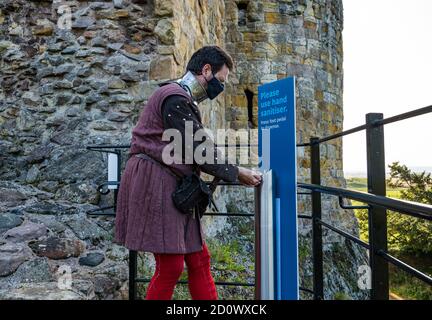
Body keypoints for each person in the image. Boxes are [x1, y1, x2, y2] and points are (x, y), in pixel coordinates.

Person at [114, 46, 262, 300]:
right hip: (155, 182)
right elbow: (199, 149)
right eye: (221, 80)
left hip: (171, 182)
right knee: (171, 266)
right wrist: (238, 172)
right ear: (206, 70)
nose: (221, 87)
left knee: (198, 258)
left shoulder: (180, 98)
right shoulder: (174, 97)